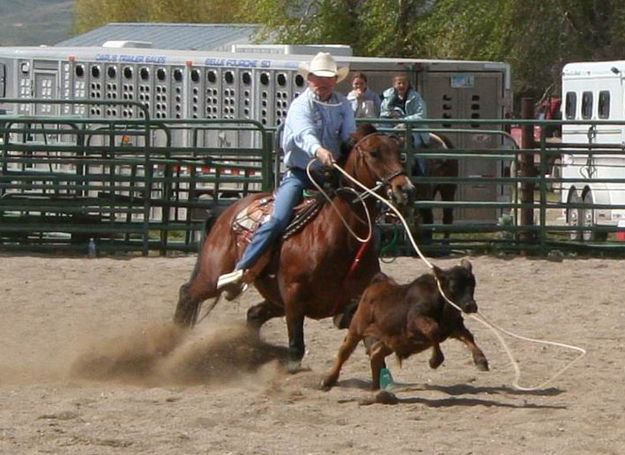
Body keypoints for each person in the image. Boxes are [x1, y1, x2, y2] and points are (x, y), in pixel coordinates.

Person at [216, 52, 356, 290]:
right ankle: (244, 266)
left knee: (360, 215)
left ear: (335, 80)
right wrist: (319, 151)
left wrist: (353, 145)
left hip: (332, 175)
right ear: (309, 78)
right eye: (318, 77)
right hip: (302, 174)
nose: (323, 82)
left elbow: (349, 135)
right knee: (278, 218)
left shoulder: (343, 105)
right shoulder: (301, 105)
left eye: (328, 77)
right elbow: (304, 134)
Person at [380, 72, 429, 175]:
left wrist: (405, 121)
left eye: (404, 83)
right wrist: (391, 119)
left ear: (408, 84)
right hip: (393, 127)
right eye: (399, 83)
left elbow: (421, 115)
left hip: (413, 127)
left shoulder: (415, 97)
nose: (401, 86)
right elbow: (383, 114)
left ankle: (422, 175)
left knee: (417, 144)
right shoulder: (387, 97)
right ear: (394, 84)